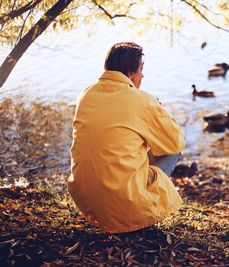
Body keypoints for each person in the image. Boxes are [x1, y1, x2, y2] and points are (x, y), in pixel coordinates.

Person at [67, 42, 185, 233]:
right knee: (172, 151)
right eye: (141, 69)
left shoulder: (86, 94)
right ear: (130, 73)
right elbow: (175, 142)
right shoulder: (142, 100)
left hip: (87, 200)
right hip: (123, 203)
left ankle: (122, 207)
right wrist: (160, 113)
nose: (143, 76)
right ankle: (141, 215)